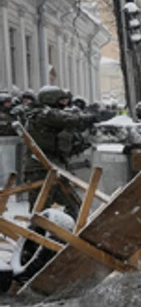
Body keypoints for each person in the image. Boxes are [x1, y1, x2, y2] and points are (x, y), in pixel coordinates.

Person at [24, 86, 98, 217]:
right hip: (42, 168)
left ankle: (70, 231)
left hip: (50, 167)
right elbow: (70, 120)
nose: (65, 105)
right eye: (62, 101)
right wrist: (92, 117)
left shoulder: (41, 114)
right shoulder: (45, 114)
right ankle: (36, 234)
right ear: (51, 100)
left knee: (72, 202)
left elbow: (56, 141)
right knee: (41, 208)